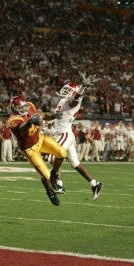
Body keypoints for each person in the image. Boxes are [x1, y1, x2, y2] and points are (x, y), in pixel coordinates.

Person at [45, 73, 103, 201]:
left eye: (68, 91)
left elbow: (75, 99)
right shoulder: (63, 100)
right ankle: (95, 184)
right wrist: (48, 118)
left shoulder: (73, 100)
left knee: (52, 157)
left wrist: (82, 87)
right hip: (62, 133)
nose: (65, 92)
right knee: (75, 163)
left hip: (64, 133)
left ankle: (56, 179)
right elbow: (54, 116)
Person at [7, 95, 66, 206]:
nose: (24, 109)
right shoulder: (12, 120)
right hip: (29, 149)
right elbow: (21, 129)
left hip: (40, 139)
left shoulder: (30, 106)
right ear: (14, 108)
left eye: (24, 106)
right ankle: (50, 192)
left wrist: (55, 115)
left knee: (62, 153)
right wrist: (30, 122)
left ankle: (55, 174)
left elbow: (43, 115)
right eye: (21, 107)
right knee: (45, 175)